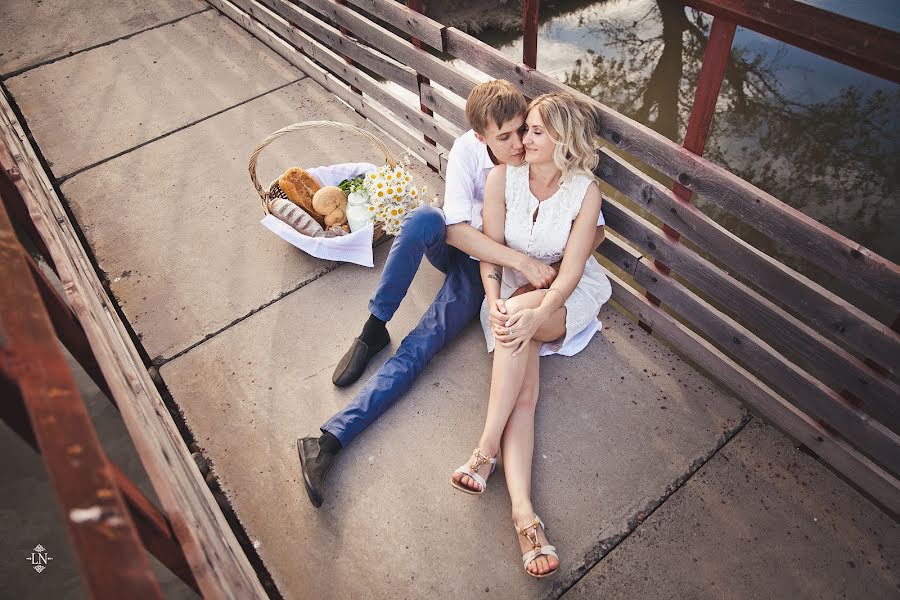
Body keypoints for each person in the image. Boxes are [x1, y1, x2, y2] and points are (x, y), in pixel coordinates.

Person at [296, 81, 605, 508]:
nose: (518, 143)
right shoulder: (473, 155)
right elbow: (457, 231)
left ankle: (328, 440)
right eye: (507, 136)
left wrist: (549, 269)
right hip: (479, 257)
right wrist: (521, 263)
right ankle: (373, 327)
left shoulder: (549, 169)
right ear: (481, 137)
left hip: (494, 276)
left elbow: (594, 228)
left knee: (420, 347)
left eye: (524, 130)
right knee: (423, 219)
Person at [449, 92, 612, 579]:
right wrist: (495, 299)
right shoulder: (502, 179)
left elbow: (569, 275)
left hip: (568, 297)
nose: (521, 140)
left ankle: (483, 452)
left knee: (517, 327)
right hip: (513, 298)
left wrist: (530, 314)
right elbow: (492, 254)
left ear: (562, 138)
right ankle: (525, 516)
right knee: (524, 398)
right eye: (522, 131)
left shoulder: (586, 193)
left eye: (533, 130)